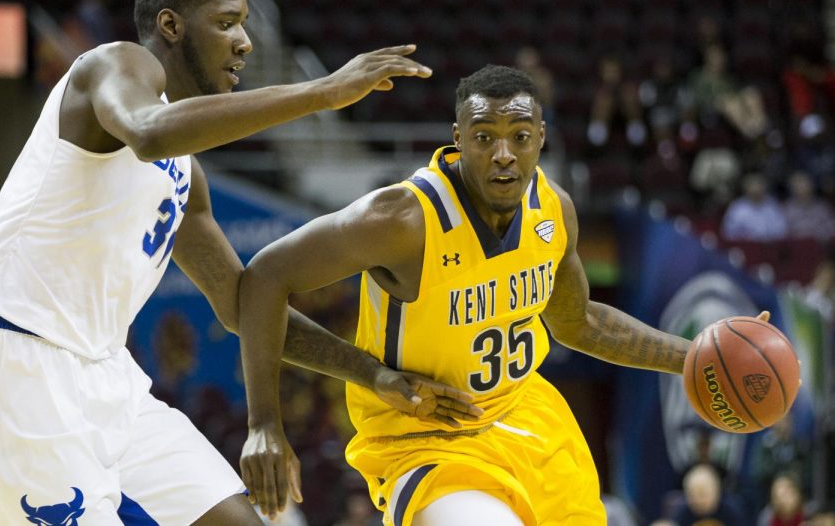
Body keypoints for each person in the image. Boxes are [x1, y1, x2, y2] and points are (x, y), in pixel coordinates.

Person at [0, 0, 481, 525]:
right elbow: (148, 132)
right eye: (226, 22)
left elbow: (243, 305)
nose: (245, 41)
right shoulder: (114, 64)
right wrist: (320, 92)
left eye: (245, 23)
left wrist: (372, 373)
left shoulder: (185, 173)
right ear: (171, 26)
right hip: (16, 362)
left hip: (105, 374)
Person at [238, 65, 770, 523]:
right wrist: (265, 422)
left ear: (541, 137)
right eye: (484, 135)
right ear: (457, 137)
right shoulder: (400, 219)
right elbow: (263, 278)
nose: (503, 154)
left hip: (527, 420)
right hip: (426, 437)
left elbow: (579, 322)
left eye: (519, 135)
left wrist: (697, 356)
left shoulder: (554, 210)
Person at [667, 463, 744, 526]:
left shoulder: (730, 512)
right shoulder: (681, 514)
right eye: (693, 495)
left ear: (716, 492)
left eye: (702, 495)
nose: (698, 500)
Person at [720, 172, 788, 242]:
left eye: (759, 185)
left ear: (764, 187)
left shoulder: (772, 205)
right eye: (752, 186)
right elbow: (728, 232)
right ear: (745, 188)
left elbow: (781, 229)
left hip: (770, 246)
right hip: (745, 246)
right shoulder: (737, 208)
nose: (756, 189)